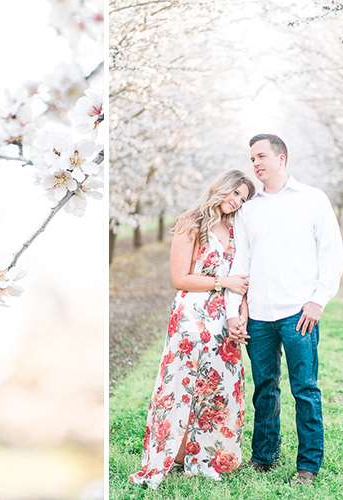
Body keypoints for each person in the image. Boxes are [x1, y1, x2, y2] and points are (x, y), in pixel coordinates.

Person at [225, 134, 343, 486]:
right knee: (265, 387)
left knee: (305, 389)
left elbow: (332, 254)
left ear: (282, 157)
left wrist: (318, 300)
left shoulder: (312, 200)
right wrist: (235, 310)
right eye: (252, 158)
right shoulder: (248, 207)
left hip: (299, 313)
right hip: (259, 316)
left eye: (261, 156)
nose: (256, 163)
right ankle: (264, 457)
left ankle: (307, 466)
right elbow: (240, 260)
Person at [129, 169, 255, 489]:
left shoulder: (236, 229)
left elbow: (241, 278)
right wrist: (220, 282)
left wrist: (240, 312)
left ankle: (203, 456)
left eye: (243, 198)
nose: (237, 201)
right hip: (192, 314)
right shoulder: (191, 223)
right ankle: (171, 453)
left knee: (218, 386)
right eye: (235, 193)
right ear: (221, 188)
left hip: (223, 318)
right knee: (182, 384)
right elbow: (180, 279)